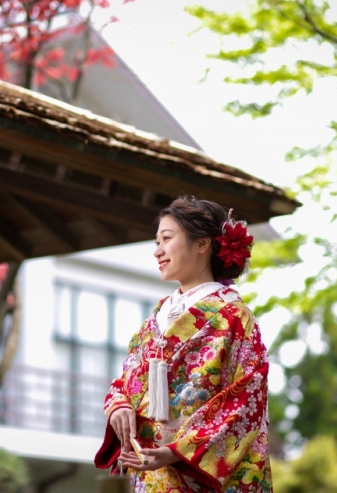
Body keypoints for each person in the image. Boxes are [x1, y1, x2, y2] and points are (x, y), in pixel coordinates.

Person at [94, 196, 272, 492]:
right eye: (156, 242)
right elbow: (127, 380)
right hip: (149, 469)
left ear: (203, 244)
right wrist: (119, 406)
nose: (157, 251)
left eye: (166, 239)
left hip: (192, 472)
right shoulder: (159, 314)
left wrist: (176, 452)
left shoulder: (233, 317)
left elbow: (244, 402)